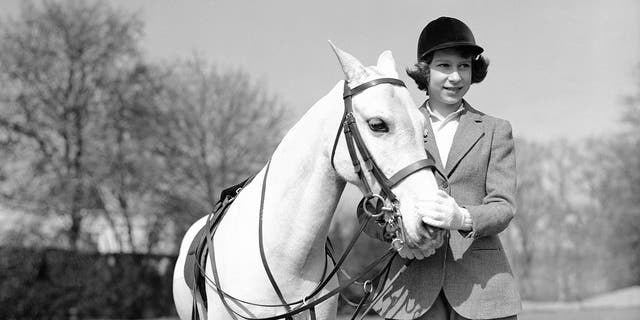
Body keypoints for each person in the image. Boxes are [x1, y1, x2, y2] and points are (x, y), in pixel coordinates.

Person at [363, 17, 522, 320]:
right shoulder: (394, 128)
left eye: (463, 66)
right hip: (410, 292)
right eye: (444, 66)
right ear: (425, 70)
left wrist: (461, 216)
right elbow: (368, 208)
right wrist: (397, 233)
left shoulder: (495, 130)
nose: (455, 77)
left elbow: (503, 206)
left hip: (483, 289)